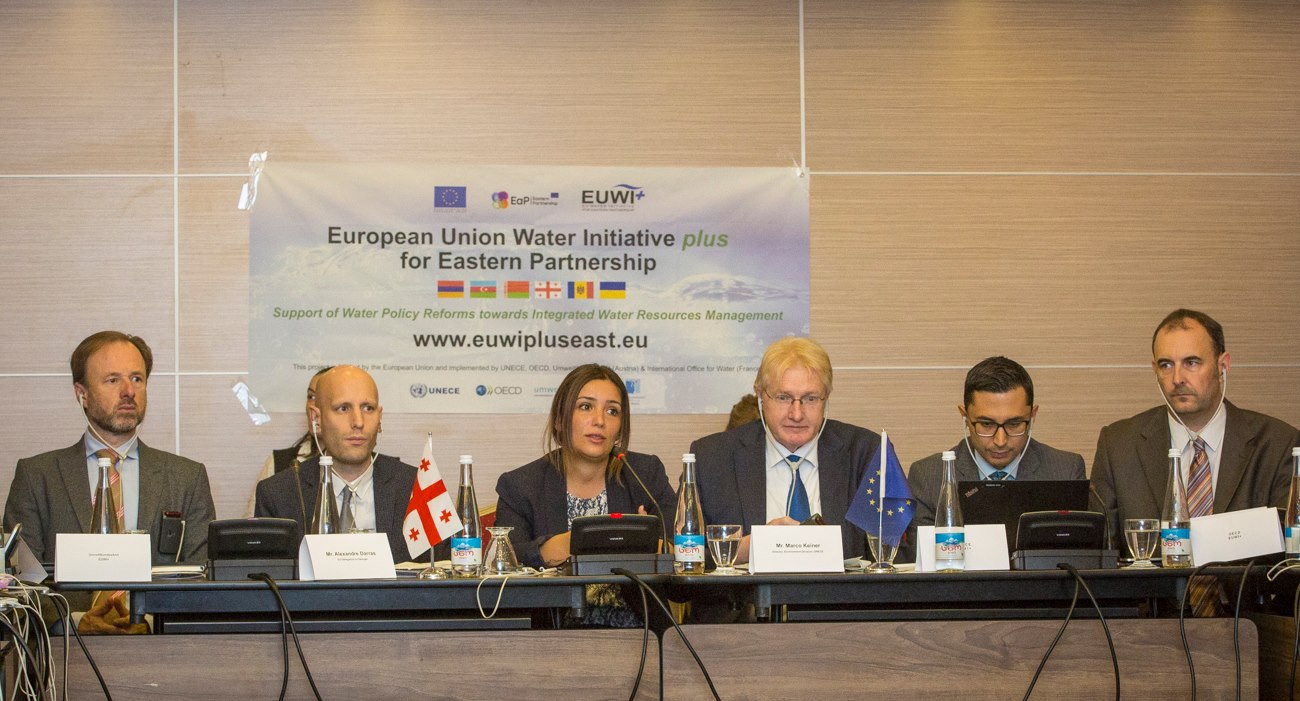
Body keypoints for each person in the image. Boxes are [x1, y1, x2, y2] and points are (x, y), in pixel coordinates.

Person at [4, 331, 216, 634]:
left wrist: (151, 623)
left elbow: (203, 576)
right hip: (66, 649)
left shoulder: (186, 477)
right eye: (113, 380)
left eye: (137, 379)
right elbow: (20, 582)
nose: (128, 391)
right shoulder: (37, 476)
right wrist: (76, 623)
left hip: (159, 645)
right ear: (82, 393)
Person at [1090, 309, 1300, 545]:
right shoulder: (1118, 446)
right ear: (1154, 369)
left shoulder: (1279, 445)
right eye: (1166, 365)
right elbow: (1101, 555)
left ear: (1223, 365)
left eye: (1191, 363)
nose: (1177, 378)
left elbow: (1289, 550)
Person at [690, 336, 882, 563]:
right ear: (760, 395)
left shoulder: (866, 453)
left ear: (826, 398)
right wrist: (746, 549)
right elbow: (686, 556)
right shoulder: (711, 459)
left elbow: (894, 553)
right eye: (783, 398)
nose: (797, 414)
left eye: (811, 399)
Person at [495, 364, 676, 572]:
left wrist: (649, 545)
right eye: (586, 407)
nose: (600, 421)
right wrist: (562, 546)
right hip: (558, 595)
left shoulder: (646, 474)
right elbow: (506, 561)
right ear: (560, 419)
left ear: (620, 427)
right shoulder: (520, 486)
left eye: (612, 411)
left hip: (633, 595)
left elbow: (683, 551)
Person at [905, 356, 1085, 560]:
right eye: (986, 425)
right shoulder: (929, 477)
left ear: (1032, 415)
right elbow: (925, 566)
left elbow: (1077, 559)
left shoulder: (1066, 470)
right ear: (965, 416)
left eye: (1014, 424)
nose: (1000, 441)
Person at [255, 365, 418, 563]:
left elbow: (445, 572)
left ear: (380, 417)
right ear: (316, 418)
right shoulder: (279, 494)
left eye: (368, 408)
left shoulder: (417, 488)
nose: (358, 422)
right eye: (343, 408)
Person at [243, 366, 332, 517]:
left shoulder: (366, 465)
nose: (313, 407)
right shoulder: (280, 463)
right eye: (311, 397)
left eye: (324, 397)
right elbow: (252, 526)